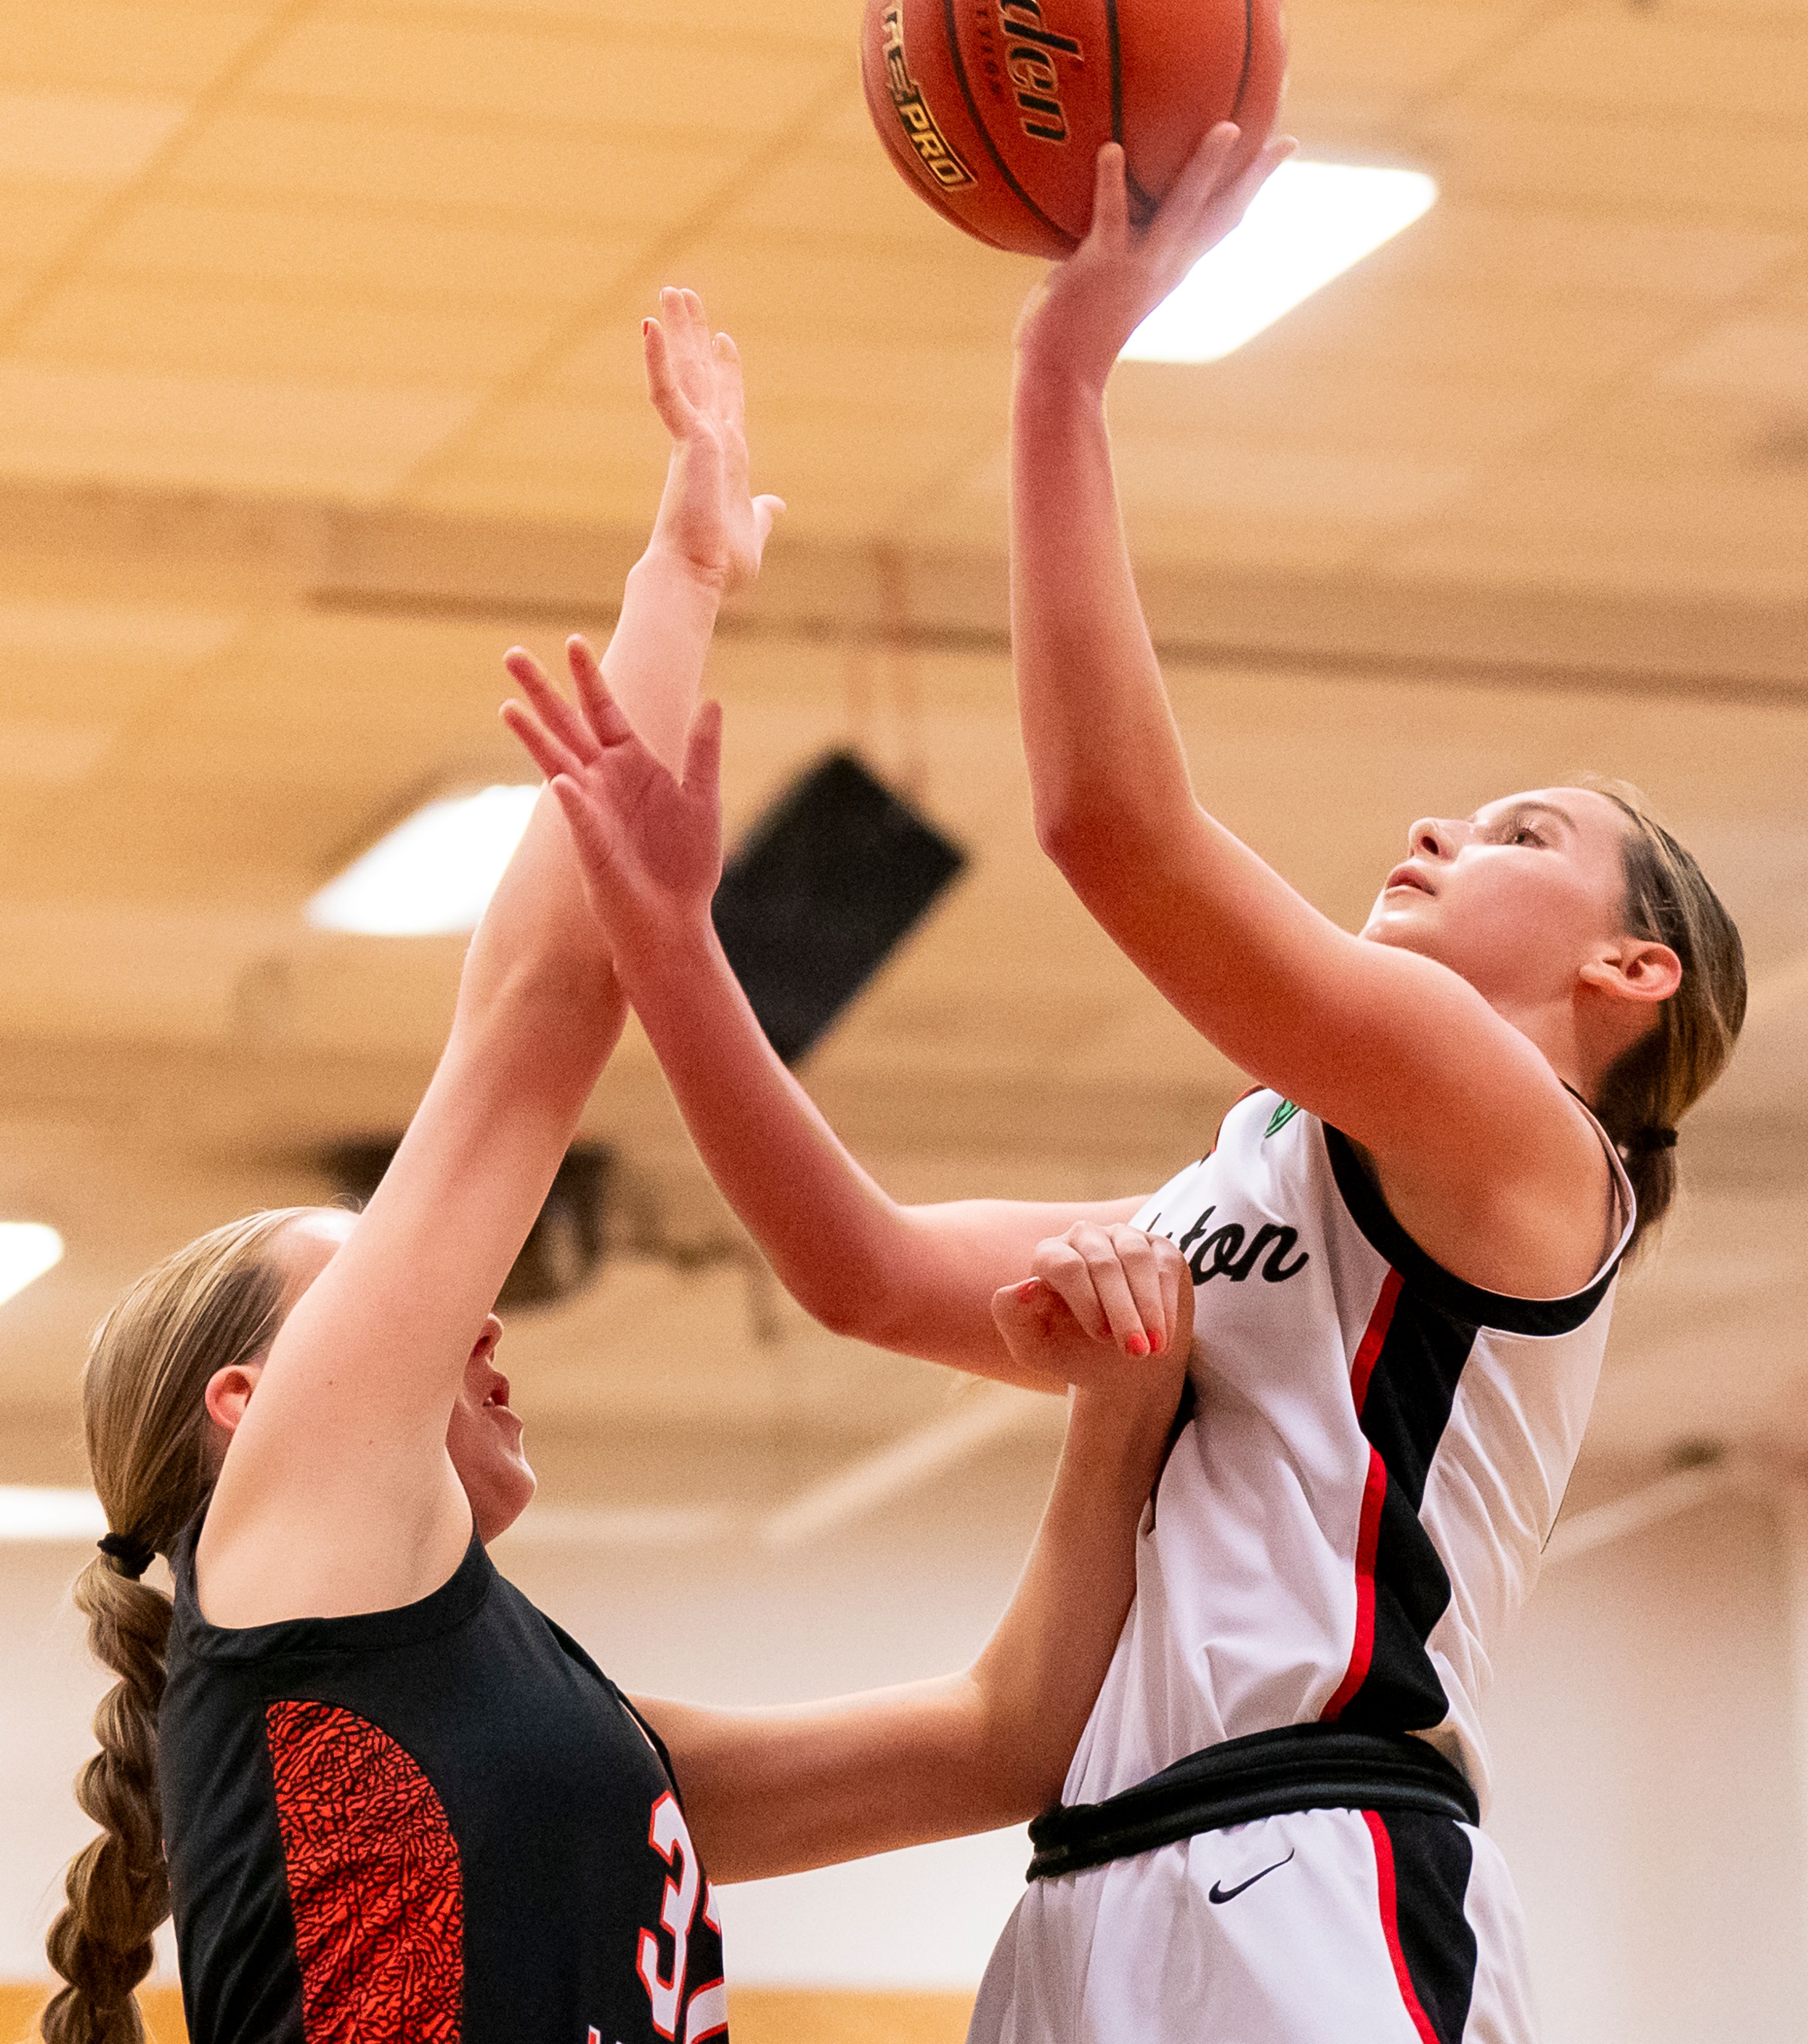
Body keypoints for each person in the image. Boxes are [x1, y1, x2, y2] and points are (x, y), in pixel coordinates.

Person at [499, 127, 1748, 2044]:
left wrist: (1060, 376)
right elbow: (857, 1271)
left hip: (1318, 1864)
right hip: (1085, 1897)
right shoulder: (1244, 1193)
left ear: (1627, 973)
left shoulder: (1523, 1141)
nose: (1436, 823)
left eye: (1516, 833)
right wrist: (671, 941)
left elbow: (1114, 832)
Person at [42, 291, 1194, 2044]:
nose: (472, 1308)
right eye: (383, 1289)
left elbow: (1002, 1743)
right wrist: (684, 577)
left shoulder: (547, 1729)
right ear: (255, 1404)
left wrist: (1123, 1408)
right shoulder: (293, 1546)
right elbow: (535, 1022)